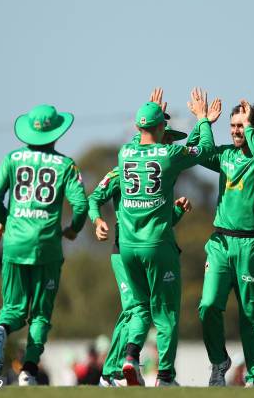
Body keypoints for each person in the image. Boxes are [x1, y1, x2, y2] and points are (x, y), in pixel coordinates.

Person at [117, 88, 218, 386]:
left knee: (138, 307)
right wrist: (202, 120)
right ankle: (164, 376)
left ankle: (131, 356)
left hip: (126, 247)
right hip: (158, 245)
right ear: (162, 127)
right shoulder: (169, 154)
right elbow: (206, 151)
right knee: (165, 312)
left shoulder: (124, 153)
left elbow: (140, 139)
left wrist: (152, 115)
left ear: (137, 127)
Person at [0, 104, 89, 385]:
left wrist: (5, 219)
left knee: (13, 309)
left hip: (15, 244)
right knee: (40, 314)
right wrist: (73, 230)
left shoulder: (12, 159)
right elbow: (81, 205)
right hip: (47, 247)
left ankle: (2, 329)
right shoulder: (66, 165)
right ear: (56, 133)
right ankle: (29, 371)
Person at [89, 111, 193, 387]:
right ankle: (112, 372)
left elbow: (159, 219)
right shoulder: (123, 168)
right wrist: (97, 220)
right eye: (166, 136)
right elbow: (95, 196)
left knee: (139, 310)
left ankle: (119, 368)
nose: (169, 143)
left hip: (136, 249)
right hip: (124, 252)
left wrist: (177, 213)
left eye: (171, 139)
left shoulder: (152, 164)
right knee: (137, 311)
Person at [189, 99, 254, 387]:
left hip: (251, 247)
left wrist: (250, 127)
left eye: (241, 126)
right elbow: (195, 153)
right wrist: (204, 123)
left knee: (252, 315)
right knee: (208, 305)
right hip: (220, 243)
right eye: (232, 126)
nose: (235, 131)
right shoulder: (225, 155)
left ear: (253, 127)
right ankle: (219, 362)